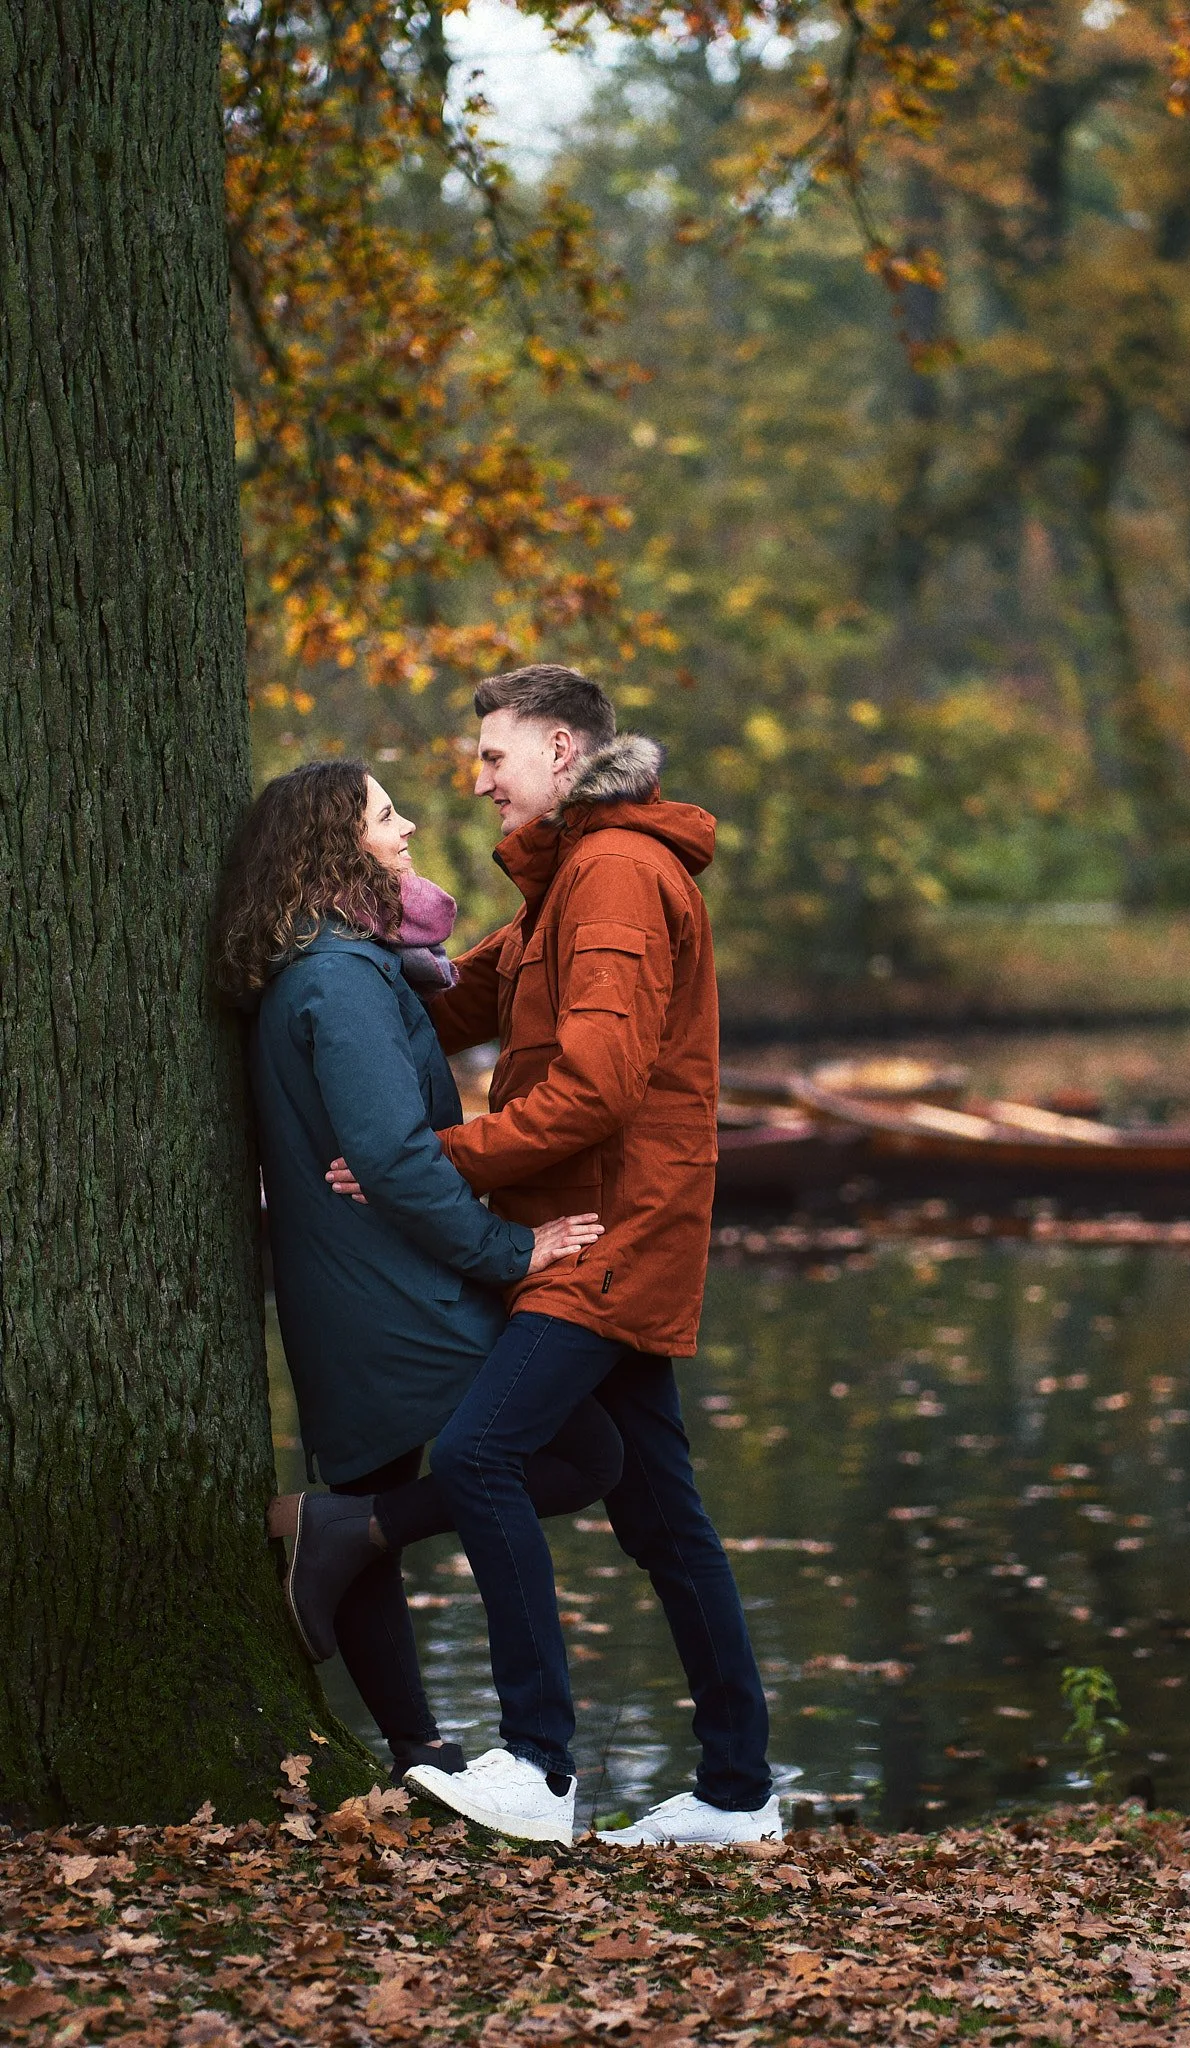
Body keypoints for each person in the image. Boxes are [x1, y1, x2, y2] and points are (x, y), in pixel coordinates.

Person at [305, 667, 780, 1847]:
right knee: (662, 1513)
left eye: (493, 756)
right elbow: (465, 1000)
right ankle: (739, 1791)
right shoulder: (577, 873)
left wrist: (432, 1160)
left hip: (606, 1232)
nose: (477, 782)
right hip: (594, 1224)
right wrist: (325, 975)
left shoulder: (614, 872)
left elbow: (598, 1088)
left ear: (562, 751)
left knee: (481, 1452)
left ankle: (537, 1762)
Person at [213, 758, 616, 1785]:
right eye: (385, 815)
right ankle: (355, 1570)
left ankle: (418, 1749)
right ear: (332, 844)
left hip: (357, 1279)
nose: (407, 829)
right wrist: (511, 1250)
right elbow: (392, 1157)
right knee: (582, 1454)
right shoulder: (339, 979)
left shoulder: (338, 963)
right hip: (394, 1286)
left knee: (365, 1503)